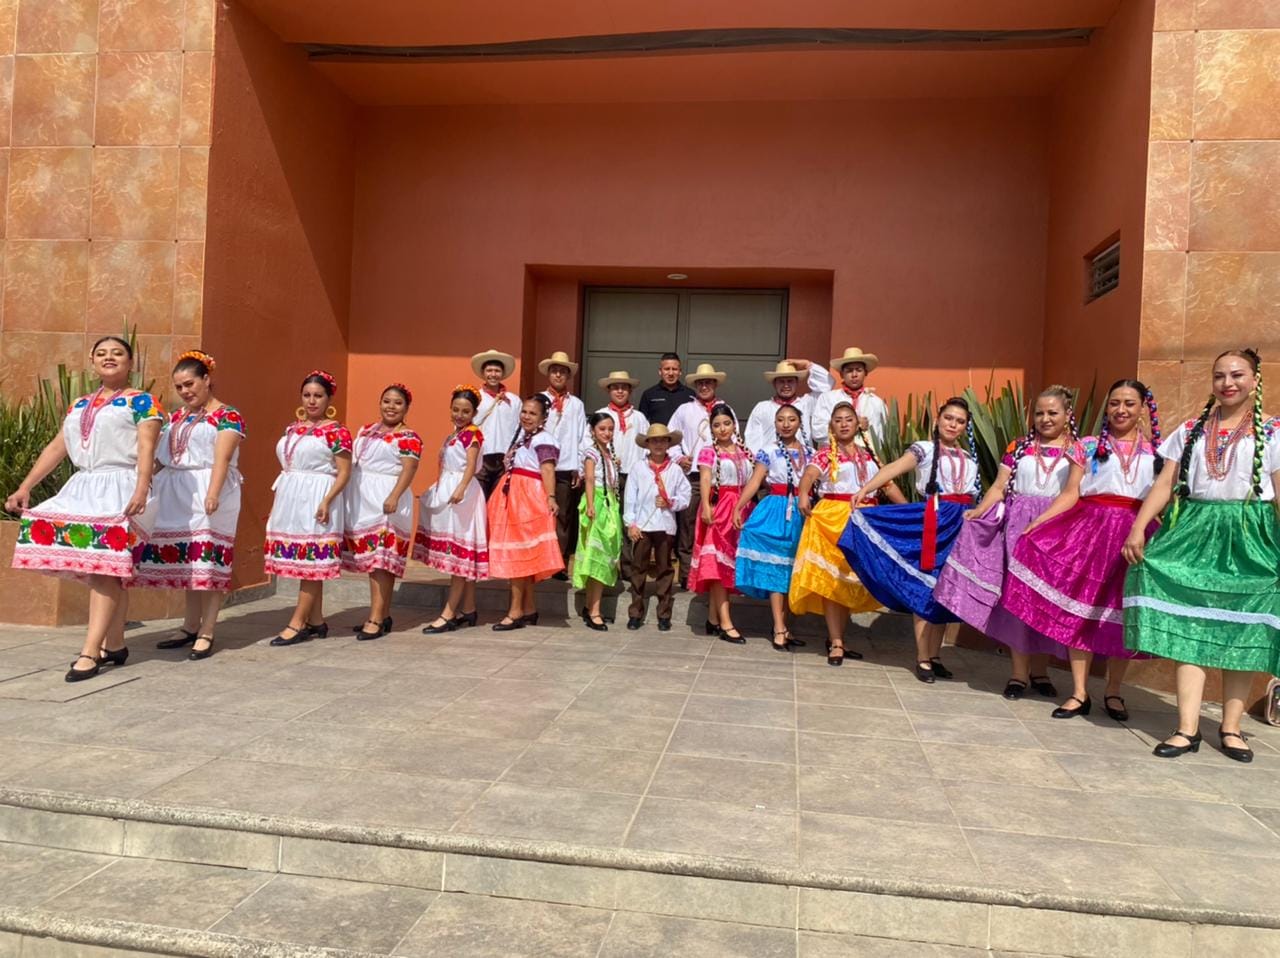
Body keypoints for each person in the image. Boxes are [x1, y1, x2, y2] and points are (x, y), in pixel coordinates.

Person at [1124, 349, 1280, 763]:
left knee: (1241, 632)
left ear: (1255, 380)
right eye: (1219, 376)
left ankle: (1231, 729)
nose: (1228, 383)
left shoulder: (1273, 431)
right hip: (1194, 533)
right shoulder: (1191, 430)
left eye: (1237, 375)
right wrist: (1139, 527)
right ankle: (1186, 728)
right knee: (1189, 626)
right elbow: (1165, 483)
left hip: (1251, 537)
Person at [1002, 380, 1162, 720]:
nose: (1121, 410)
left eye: (1129, 403)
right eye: (1115, 402)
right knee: (1081, 609)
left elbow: (1162, 496)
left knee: (1124, 613)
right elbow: (1070, 492)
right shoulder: (1087, 446)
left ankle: (1114, 692)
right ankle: (1078, 692)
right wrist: (1038, 524)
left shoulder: (1157, 451)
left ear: (1142, 408)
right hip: (1089, 531)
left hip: (1135, 532)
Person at [6, 336, 162, 682]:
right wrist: (26, 485)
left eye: (117, 353)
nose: (109, 358)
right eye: (102, 354)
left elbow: (147, 446)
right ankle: (116, 645)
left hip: (119, 487)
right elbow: (58, 446)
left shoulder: (143, 402)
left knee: (106, 570)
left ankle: (90, 651)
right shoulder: (79, 405)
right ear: (92, 362)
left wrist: (141, 486)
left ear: (130, 363)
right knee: (106, 571)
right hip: (84, 487)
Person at [932, 386, 1076, 699]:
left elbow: (1076, 493)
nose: (1045, 418)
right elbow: (998, 487)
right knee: (1017, 600)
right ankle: (1018, 674)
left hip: (1055, 529)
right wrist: (978, 511)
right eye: (1039, 413)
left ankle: (1041, 671)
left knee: (1046, 600)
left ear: (1067, 415)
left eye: (1053, 412)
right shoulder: (1019, 446)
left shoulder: (1079, 449)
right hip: (1018, 528)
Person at [842, 397, 982, 683]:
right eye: (949, 418)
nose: (953, 424)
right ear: (937, 420)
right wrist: (866, 489)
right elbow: (894, 468)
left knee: (947, 590)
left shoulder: (970, 459)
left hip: (961, 526)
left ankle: (936, 655)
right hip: (934, 521)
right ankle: (922, 658)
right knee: (926, 588)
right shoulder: (925, 449)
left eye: (960, 421)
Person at [133, 350, 245, 661]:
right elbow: (161, 456)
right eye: (179, 386)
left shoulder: (227, 415)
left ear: (207, 380)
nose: (185, 391)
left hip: (209, 490)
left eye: (190, 383)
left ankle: (207, 630)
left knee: (208, 560)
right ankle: (189, 625)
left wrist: (213, 492)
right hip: (175, 490)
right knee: (189, 560)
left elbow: (222, 458)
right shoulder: (178, 416)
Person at [790, 402, 904, 665]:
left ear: (857, 424)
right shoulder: (823, 454)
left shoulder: (870, 456)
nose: (843, 424)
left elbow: (888, 485)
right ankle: (837, 641)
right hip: (833, 519)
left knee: (851, 581)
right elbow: (808, 476)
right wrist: (804, 494)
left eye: (848, 419)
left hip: (865, 520)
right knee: (833, 581)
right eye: (838, 420)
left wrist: (911, 511)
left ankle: (838, 637)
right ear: (832, 425)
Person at [265, 370, 353, 647]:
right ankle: (316, 620)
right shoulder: (293, 428)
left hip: (318, 496)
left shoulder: (337, 432)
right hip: (292, 497)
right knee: (303, 560)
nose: (312, 401)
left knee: (311, 561)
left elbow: (344, 472)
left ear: (329, 399)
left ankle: (297, 622)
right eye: (307, 395)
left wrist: (327, 500)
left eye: (318, 396)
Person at [342, 384, 422, 639]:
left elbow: (409, 469)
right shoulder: (366, 430)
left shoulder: (408, 436)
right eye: (386, 401)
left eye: (397, 403)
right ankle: (382, 614)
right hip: (363, 497)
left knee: (382, 560)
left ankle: (376, 617)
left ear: (406, 408)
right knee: (371, 561)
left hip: (388, 497)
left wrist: (394, 496)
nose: (391, 406)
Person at [734, 404, 811, 651]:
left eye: (791, 419)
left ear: (800, 422)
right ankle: (778, 627)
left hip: (803, 512)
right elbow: (756, 480)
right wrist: (739, 506)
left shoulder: (811, 453)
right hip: (776, 509)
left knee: (792, 571)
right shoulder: (769, 451)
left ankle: (785, 627)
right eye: (780, 419)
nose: (786, 424)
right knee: (777, 569)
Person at [416, 385, 488, 633]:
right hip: (450, 487)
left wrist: (461, 487)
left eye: (465, 411)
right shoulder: (454, 434)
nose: (459, 414)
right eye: (456, 409)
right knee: (458, 552)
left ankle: (448, 612)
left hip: (462, 494)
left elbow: (470, 465)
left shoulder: (473, 434)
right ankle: (468, 608)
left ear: (474, 412)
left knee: (458, 553)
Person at [488, 394, 563, 630]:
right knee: (522, 555)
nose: (527, 417)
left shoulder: (544, 439)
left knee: (519, 555)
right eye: (525, 412)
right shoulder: (524, 438)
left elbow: (547, 470)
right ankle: (529, 607)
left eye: (532, 413)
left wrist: (551, 498)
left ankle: (516, 610)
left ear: (543, 418)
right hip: (514, 494)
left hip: (528, 498)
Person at [668, 363, 738, 588]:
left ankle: (718, 571)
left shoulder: (726, 409)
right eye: (700, 383)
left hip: (723, 481)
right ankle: (688, 574)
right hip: (695, 477)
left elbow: (736, 440)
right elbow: (671, 439)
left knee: (720, 526)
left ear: (715, 384)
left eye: (708, 382)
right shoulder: (684, 410)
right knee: (689, 524)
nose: (704, 386)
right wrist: (679, 457)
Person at [688, 403, 754, 642]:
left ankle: (713, 619)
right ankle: (726, 622)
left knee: (730, 565)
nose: (722, 429)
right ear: (711, 428)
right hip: (720, 507)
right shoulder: (708, 451)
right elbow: (705, 478)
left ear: (734, 425)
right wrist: (706, 505)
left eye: (726, 423)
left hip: (742, 508)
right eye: (717, 425)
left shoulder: (745, 451)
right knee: (717, 565)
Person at [624, 424, 692, 631]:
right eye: (654, 441)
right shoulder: (638, 468)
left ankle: (664, 613)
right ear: (648, 444)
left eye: (663, 440)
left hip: (665, 525)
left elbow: (685, 497)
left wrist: (670, 502)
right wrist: (631, 523)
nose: (659, 444)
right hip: (643, 525)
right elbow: (630, 498)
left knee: (664, 569)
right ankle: (636, 612)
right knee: (639, 568)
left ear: (669, 443)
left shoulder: (676, 470)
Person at [596, 370, 649, 586]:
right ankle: (608, 565)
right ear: (609, 390)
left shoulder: (639, 417)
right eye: (615, 387)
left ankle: (629, 567)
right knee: (609, 522)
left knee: (630, 521)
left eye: (624, 387)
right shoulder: (600, 414)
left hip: (633, 475)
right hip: (608, 474)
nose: (620, 390)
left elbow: (646, 447)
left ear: (630, 391)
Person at [538, 350, 587, 577]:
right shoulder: (539, 400)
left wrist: (578, 464)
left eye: (562, 371)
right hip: (540, 466)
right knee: (539, 514)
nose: (558, 375)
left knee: (564, 516)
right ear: (549, 374)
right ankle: (538, 559)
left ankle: (560, 562)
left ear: (568, 376)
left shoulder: (576, 404)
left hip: (565, 466)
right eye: (554, 370)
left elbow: (580, 435)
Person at [574, 413, 624, 631]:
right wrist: (592, 505)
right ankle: (593, 610)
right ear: (593, 430)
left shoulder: (609, 453)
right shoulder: (591, 452)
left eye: (610, 429)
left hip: (609, 504)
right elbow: (590, 479)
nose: (607, 433)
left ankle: (592, 606)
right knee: (596, 555)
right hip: (598, 503)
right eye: (602, 429)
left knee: (606, 556)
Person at [743, 360, 832, 453]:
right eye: (781, 381)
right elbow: (752, 440)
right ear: (774, 384)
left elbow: (827, 386)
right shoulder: (762, 408)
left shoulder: (806, 403)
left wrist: (808, 364)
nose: (786, 385)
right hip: (770, 463)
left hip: (803, 462)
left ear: (797, 383)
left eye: (790, 381)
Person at [810, 347, 890, 444]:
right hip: (835, 455)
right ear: (841, 374)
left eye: (859, 370)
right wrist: (851, 426)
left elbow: (883, 436)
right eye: (849, 370)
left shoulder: (876, 403)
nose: (854, 375)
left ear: (866, 373)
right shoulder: (828, 398)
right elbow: (817, 432)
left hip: (867, 456)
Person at [470, 349, 521, 498]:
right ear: (483, 373)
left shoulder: (514, 400)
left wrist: (514, 452)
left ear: (503, 373)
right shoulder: (475, 397)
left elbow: (520, 428)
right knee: (478, 499)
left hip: (504, 458)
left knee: (499, 500)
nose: (493, 374)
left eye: (497, 370)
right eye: (489, 370)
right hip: (481, 455)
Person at [638, 352, 695, 426]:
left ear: (680, 372)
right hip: (657, 437)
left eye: (674, 369)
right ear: (660, 371)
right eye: (667, 369)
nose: (671, 373)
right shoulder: (649, 395)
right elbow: (641, 423)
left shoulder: (690, 395)